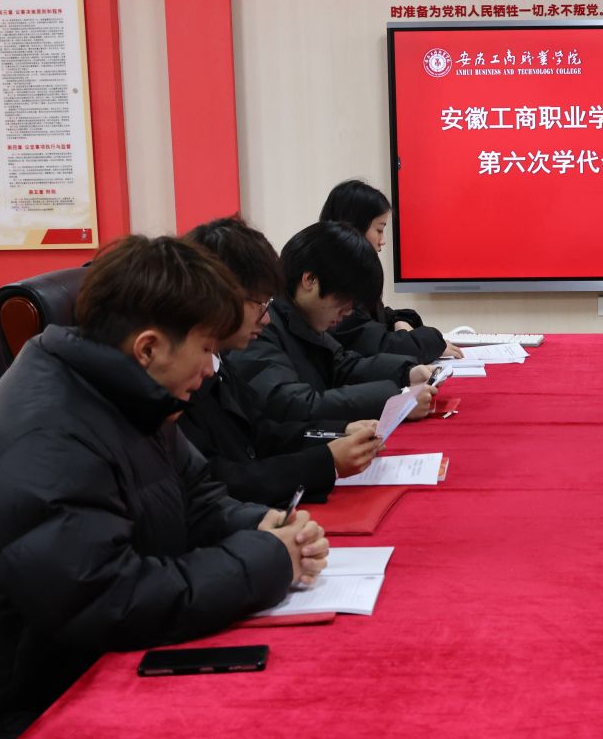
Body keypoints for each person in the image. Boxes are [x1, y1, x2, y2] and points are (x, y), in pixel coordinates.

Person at [0, 234, 328, 739]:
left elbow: (197, 496)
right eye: (206, 350)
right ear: (148, 347)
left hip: (86, 676)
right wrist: (265, 561)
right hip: (11, 727)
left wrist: (262, 525)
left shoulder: (129, 394)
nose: (210, 370)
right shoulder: (45, 443)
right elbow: (111, 601)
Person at [181, 216, 384, 505]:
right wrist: (325, 461)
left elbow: (263, 432)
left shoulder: (218, 360)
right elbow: (221, 480)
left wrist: (338, 432)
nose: (265, 318)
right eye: (260, 304)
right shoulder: (180, 378)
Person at [233, 221, 438, 428]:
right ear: (310, 280)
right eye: (344, 300)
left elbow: (341, 366)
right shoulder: (257, 327)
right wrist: (392, 401)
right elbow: (291, 404)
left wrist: (406, 373)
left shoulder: (300, 316)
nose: (348, 311)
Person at [318, 179, 453, 363]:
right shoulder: (337, 282)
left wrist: (398, 321)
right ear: (354, 227)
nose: (382, 241)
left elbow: (372, 319)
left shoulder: (345, 271)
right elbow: (378, 346)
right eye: (379, 230)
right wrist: (434, 341)